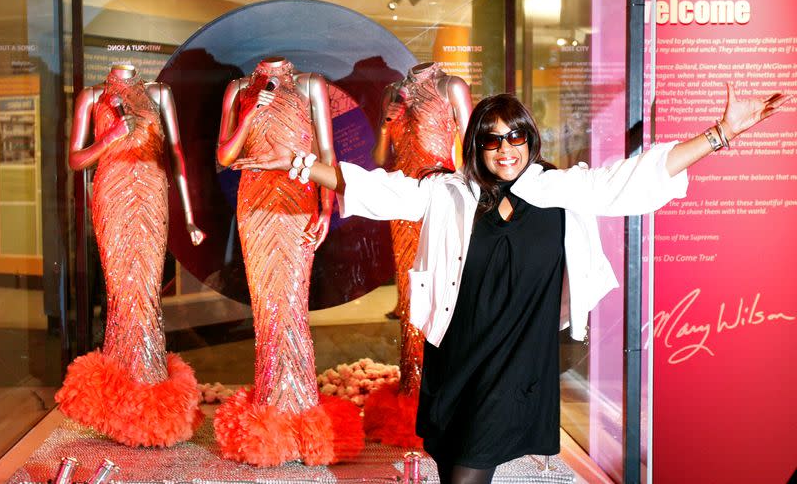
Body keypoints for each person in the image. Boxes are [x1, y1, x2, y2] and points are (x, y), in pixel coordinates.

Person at [233, 83, 788, 483]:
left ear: (530, 140)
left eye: (516, 138)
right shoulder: (450, 193)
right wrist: (300, 163)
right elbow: (376, 190)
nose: (506, 150)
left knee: (467, 475)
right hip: (455, 356)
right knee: (452, 462)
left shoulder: (561, 191)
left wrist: (720, 133)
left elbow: (641, 177)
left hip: (517, 363)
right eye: (493, 140)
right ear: (477, 145)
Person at [214, 56, 363, 466]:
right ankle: (271, 409)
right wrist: (249, 113)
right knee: (267, 308)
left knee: (292, 305)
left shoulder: (311, 83)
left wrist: (327, 208)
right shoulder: (239, 89)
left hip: (297, 200)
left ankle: (299, 410)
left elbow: (326, 151)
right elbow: (225, 156)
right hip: (255, 206)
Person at [56, 63, 206, 447]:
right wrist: (109, 138)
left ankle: (150, 394)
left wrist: (188, 216)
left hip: (153, 192)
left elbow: (175, 154)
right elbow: (76, 159)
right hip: (112, 192)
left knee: (147, 294)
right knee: (122, 295)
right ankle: (123, 403)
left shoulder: (158, 94)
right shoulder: (92, 96)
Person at [366, 61, 472, 447]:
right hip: (401, 202)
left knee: (445, 292)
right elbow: (381, 158)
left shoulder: (451, 86)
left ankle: (446, 391)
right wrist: (384, 123)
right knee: (411, 297)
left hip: (441, 200)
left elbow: (472, 148)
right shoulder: (392, 92)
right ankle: (412, 392)